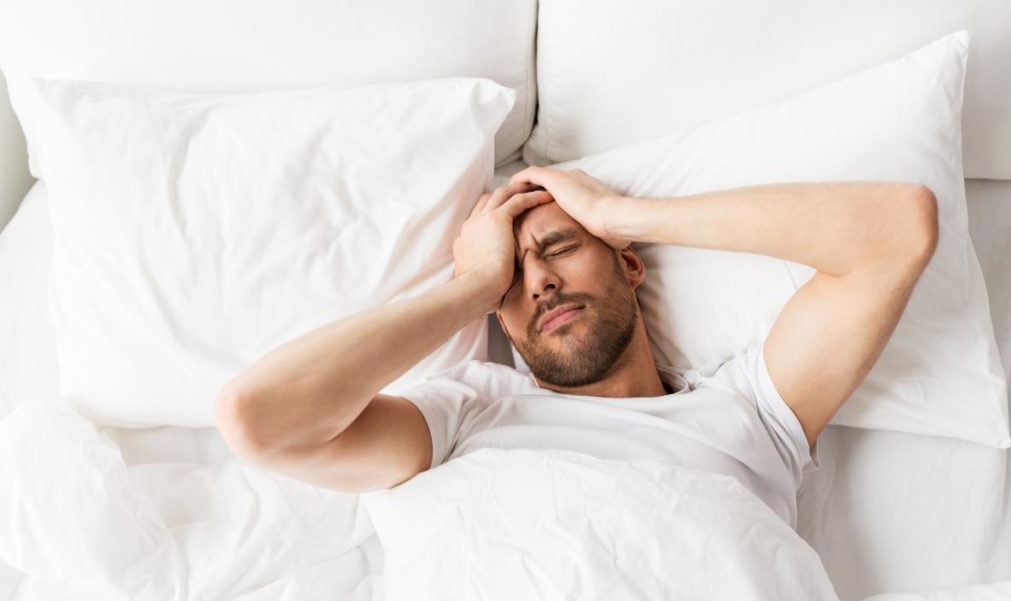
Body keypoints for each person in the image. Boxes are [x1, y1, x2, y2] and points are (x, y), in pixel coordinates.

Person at [214, 166, 937, 528]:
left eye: (560, 246)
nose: (542, 283)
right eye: (513, 281)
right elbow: (259, 416)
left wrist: (622, 213)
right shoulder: (465, 416)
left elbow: (898, 227)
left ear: (628, 262)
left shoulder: (752, 412)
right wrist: (470, 288)